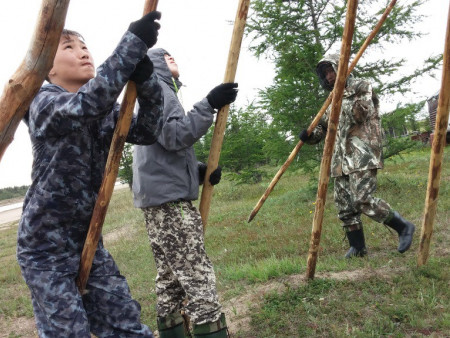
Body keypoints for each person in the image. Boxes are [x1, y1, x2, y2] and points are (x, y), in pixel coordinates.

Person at [17, 12, 163, 337]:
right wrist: (130, 48)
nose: (84, 51)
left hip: (88, 242)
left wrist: (147, 80)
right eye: (69, 46)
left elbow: (150, 130)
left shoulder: (108, 112)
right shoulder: (42, 103)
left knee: (126, 326)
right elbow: (87, 104)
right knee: (70, 333)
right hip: (45, 249)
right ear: (47, 68)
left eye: (85, 45)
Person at [132, 48, 238, 337]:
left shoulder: (154, 93)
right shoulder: (159, 90)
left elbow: (161, 151)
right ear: (154, 64)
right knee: (197, 277)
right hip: (171, 204)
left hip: (158, 201)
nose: (172, 57)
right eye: (164, 55)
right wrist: (209, 104)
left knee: (170, 281)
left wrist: (199, 171)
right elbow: (176, 136)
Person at [299, 53, 415, 258]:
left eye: (331, 70)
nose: (328, 77)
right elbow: (324, 128)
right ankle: (357, 247)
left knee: (362, 199)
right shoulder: (330, 98)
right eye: (325, 73)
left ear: (341, 67)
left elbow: (360, 115)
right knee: (344, 206)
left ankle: (403, 226)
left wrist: (343, 96)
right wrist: (309, 135)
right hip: (340, 159)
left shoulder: (361, 87)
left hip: (362, 153)